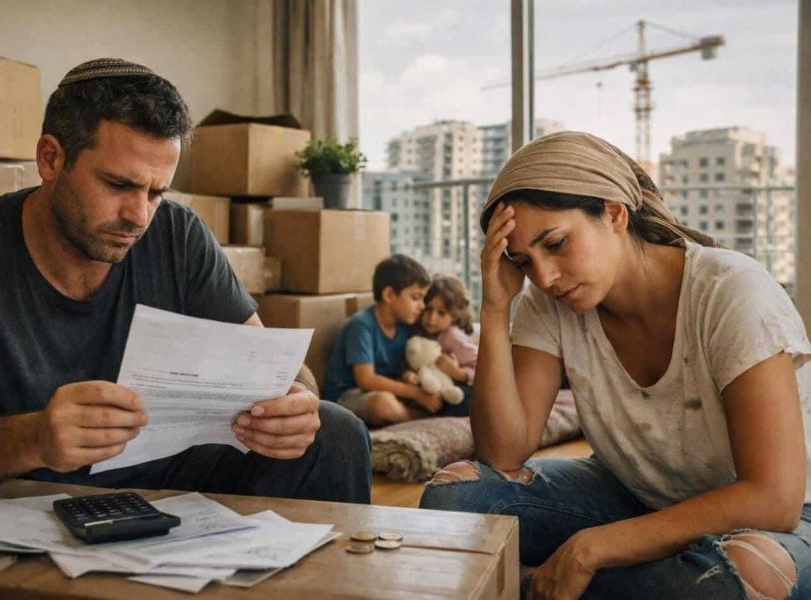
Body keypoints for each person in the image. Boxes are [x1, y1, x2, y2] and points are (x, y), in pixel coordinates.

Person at [0, 58, 371, 504]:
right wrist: (31, 439)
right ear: (51, 158)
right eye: (117, 184)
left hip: (162, 474)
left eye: (157, 192)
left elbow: (281, 370)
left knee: (335, 431)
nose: (139, 216)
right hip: (20, 488)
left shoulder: (176, 232)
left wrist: (296, 406)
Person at [419, 131, 810, 599]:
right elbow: (502, 454)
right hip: (632, 494)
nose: (543, 277)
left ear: (614, 212)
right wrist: (495, 308)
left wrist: (596, 547)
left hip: (777, 519)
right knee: (455, 495)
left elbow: (774, 498)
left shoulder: (732, 291)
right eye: (524, 261)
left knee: (742, 577)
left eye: (557, 243)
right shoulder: (548, 301)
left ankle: (525, 585)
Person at [323, 254, 443, 426]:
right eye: (415, 298)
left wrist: (409, 377)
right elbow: (366, 379)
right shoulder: (361, 326)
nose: (422, 306)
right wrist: (415, 393)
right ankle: (420, 420)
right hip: (348, 396)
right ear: (389, 295)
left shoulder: (404, 327)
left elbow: (402, 366)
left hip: (388, 391)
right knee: (383, 403)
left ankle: (410, 414)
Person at [406, 274, 478, 417]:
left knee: (460, 404)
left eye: (441, 313)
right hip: (432, 385)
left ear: (455, 315)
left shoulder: (453, 337)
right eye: (428, 309)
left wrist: (459, 373)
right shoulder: (418, 333)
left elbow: (485, 370)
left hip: (462, 388)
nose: (432, 318)